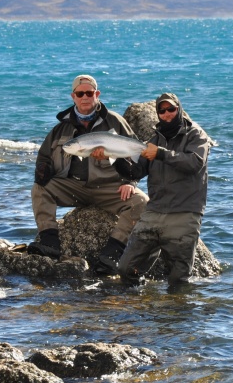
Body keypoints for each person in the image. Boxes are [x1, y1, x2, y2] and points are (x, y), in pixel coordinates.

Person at [30, 74, 148, 274]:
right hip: (73, 188)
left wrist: (131, 181)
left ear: (97, 94)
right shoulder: (61, 128)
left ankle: (113, 252)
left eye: (89, 93)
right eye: (80, 93)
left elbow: (137, 154)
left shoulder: (115, 121)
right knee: (39, 189)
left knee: (142, 202)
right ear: (73, 96)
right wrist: (42, 174)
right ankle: (49, 241)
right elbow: (44, 157)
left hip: (109, 188)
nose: (85, 97)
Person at [113, 92, 211, 287]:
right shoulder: (154, 139)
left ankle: (176, 315)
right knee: (126, 269)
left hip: (184, 213)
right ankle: (141, 309)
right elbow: (137, 171)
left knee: (178, 279)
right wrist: (113, 158)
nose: (167, 114)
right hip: (154, 212)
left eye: (171, 109)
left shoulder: (196, 135)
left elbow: (194, 163)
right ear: (157, 113)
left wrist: (160, 153)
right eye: (162, 110)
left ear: (179, 109)